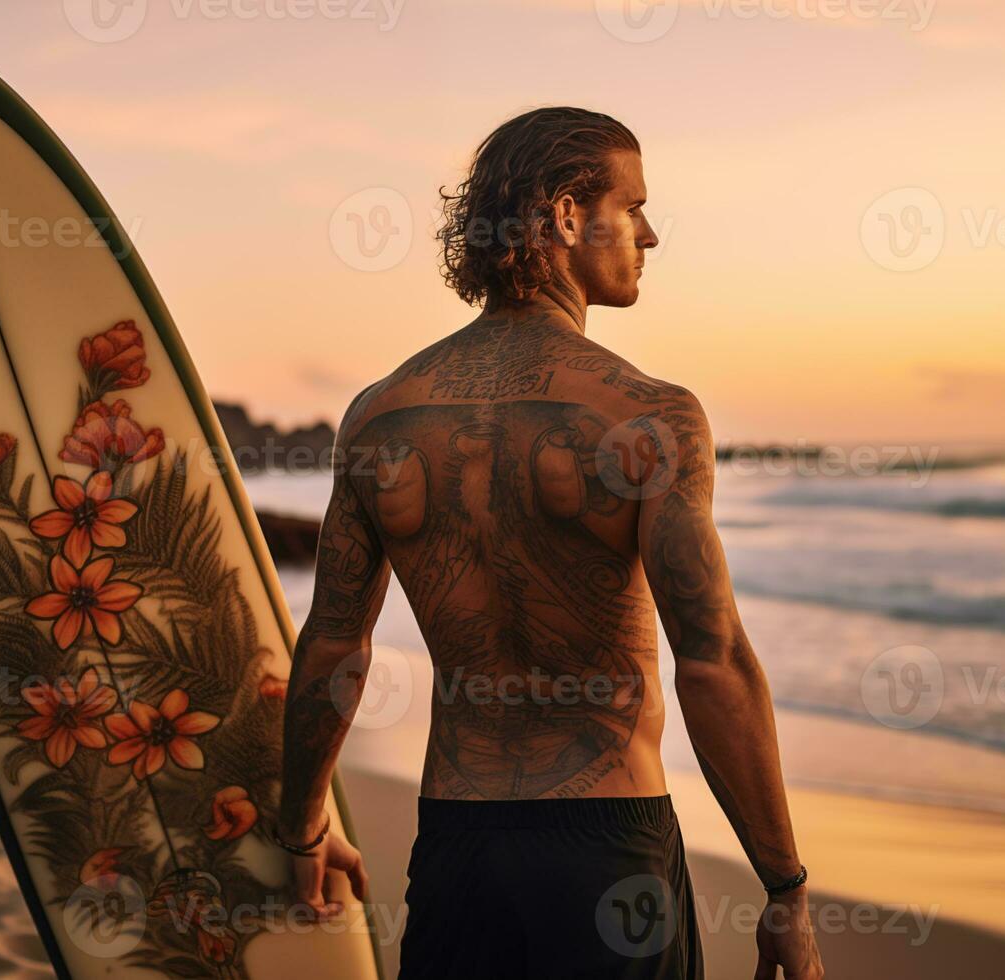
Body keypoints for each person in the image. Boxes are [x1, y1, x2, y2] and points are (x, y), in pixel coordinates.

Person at [276, 106, 824, 980]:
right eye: (632, 206)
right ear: (567, 216)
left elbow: (336, 642)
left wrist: (300, 827)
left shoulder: (379, 417)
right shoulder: (649, 417)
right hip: (609, 847)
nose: (649, 234)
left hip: (458, 848)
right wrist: (784, 887)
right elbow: (711, 658)